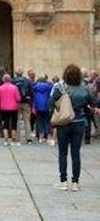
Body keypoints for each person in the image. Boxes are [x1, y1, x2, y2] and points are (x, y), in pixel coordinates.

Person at [51, 64, 99, 192]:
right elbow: (93, 102)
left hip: (64, 123)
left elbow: (51, 102)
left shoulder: (60, 88)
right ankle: (75, 182)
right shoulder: (84, 89)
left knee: (62, 152)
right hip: (79, 122)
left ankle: (63, 181)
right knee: (75, 153)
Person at [0, 74, 21, 146]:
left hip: (4, 108)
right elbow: (18, 98)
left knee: (5, 123)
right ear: (10, 80)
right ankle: (13, 139)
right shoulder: (15, 88)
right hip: (14, 108)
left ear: (3, 80)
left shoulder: (0, 88)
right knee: (13, 123)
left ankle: (6, 140)